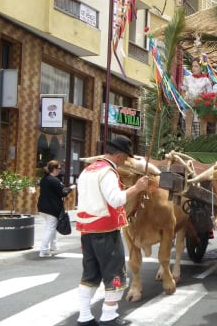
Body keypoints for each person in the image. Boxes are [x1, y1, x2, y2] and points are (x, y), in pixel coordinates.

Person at [75, 136, 154, 326]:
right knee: (114, 274)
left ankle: (84, 317)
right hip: (105, 231)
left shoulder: (87, 170)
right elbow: (116, 199)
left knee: (90, 274)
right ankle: (109, 317)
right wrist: (137, 187)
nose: (126, 161)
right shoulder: (107, 172)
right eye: (126, 158)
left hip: (87, 231)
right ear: (118, 156)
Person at [37, 160, 74, 258]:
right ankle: (44, 250)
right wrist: (71, 188)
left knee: (51, 227)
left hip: (42, 207)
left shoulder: (44, 179)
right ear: (53, 169)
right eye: (58, 168)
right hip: (51, 209)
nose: (60, 170)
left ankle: (53, 246)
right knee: (50, 228)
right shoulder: (54, 180)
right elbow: (62, 193)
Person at [181, 57, 213, 136]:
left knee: (199, 135)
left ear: (201, 68)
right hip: (189, 109)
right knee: (188, 134)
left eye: (196, 66)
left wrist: (202, 99)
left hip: (200, 111)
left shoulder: (206, 80)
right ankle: (188, 141)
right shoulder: (187, 78)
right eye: (192, 66)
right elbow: (183, 90)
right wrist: (184, 97)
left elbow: (210, 95)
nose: (193, 68)